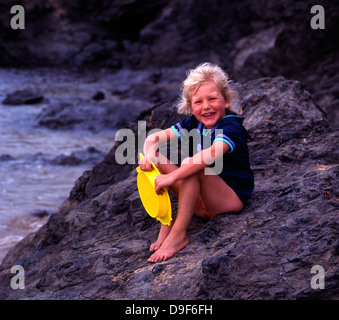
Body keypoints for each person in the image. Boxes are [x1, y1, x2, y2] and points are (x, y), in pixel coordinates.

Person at [139, 62, 254, 263]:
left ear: (226, 100)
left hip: (228, 199)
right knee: (156, 157)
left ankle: (178, 235)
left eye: (212, 99)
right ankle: (167, 220)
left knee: (195, 165)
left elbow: (211, 155)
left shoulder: (231, 126)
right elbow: (152, 139)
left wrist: (172, 177)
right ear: (191, 106)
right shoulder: (194, 122)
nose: (206, 106)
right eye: (198, 102)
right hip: (198, 204)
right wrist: (149, 156)